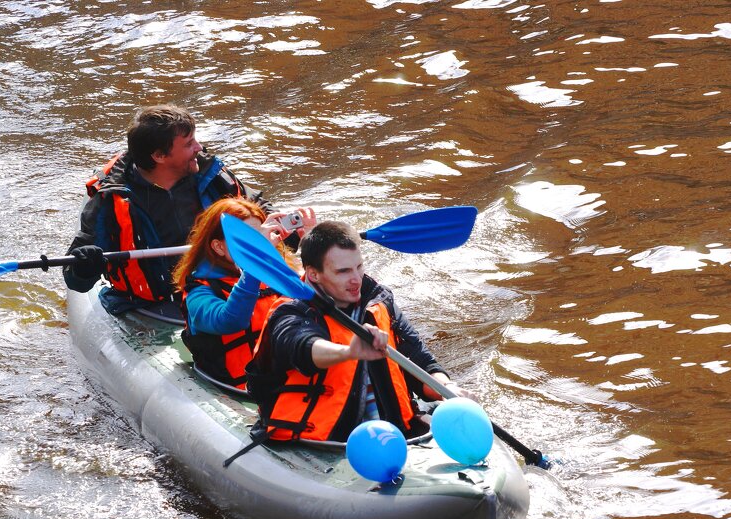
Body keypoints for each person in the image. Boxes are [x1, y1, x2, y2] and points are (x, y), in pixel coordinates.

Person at [63, 104, 302, 318]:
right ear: (159, 156)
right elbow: (76, 279)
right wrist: (85, 266)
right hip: (156, 305)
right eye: (189, 144)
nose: (199, 147)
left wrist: (281, 228)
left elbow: (256, 205)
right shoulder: (111, 200)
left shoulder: (212, 176)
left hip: (219, 288)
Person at [246, 220, 467, 443]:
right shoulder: (290, 311)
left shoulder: (378, 300)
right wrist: (349, 352)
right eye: (343, 271)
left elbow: (420, 359)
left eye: (359, 267)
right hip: (326, 441)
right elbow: (302, 346)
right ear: (313, 274)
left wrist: (446, 388)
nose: (356, 280)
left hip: (392, 432)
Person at [172, 197, 317, 391]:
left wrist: (312, 246)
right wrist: (255, 261)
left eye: (258, 236)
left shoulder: (278, 272)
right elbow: (231, 321)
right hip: (240, 389)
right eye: (247, 238)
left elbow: (320, 298)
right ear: (219, 247)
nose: (256, 244)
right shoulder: (198, 293)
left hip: (288, 380)